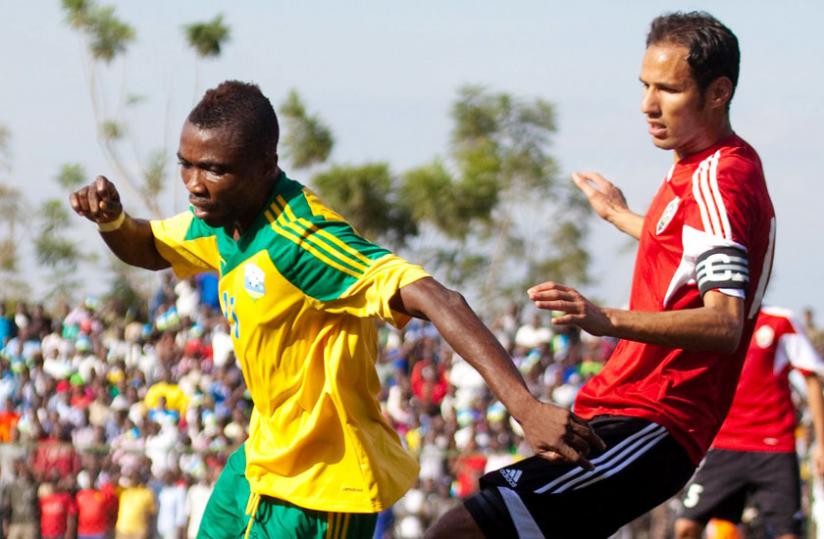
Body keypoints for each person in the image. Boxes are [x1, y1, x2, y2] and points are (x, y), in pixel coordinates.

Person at [69, 80, 603, 538]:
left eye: (213, 169)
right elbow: (148, 247)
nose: (193, 184)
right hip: (260, 463)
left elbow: (438, 297)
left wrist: (525, 407)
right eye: (186, 164)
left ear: (264, 166)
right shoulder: (220, 221)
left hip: (322, 487)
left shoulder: (301, 238)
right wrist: (114, 221)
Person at [428, 11, 775, 538]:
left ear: (718, 92)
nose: (648, 106)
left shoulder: (719, 178)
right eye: (645, 86)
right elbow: (690, 249)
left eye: (669, 90)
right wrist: (619, 215)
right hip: (624, 411)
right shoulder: (703, 167)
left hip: (656, 419)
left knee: (461, 529)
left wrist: (603, 318)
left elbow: (724, 323)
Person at [674, 307, 824, 539]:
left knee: (788, 534)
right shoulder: (709, 323)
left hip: (774, 448)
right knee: (686, 526)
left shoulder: (781, 322)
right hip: (725, 446)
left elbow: (811, 378)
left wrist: (822, 445)